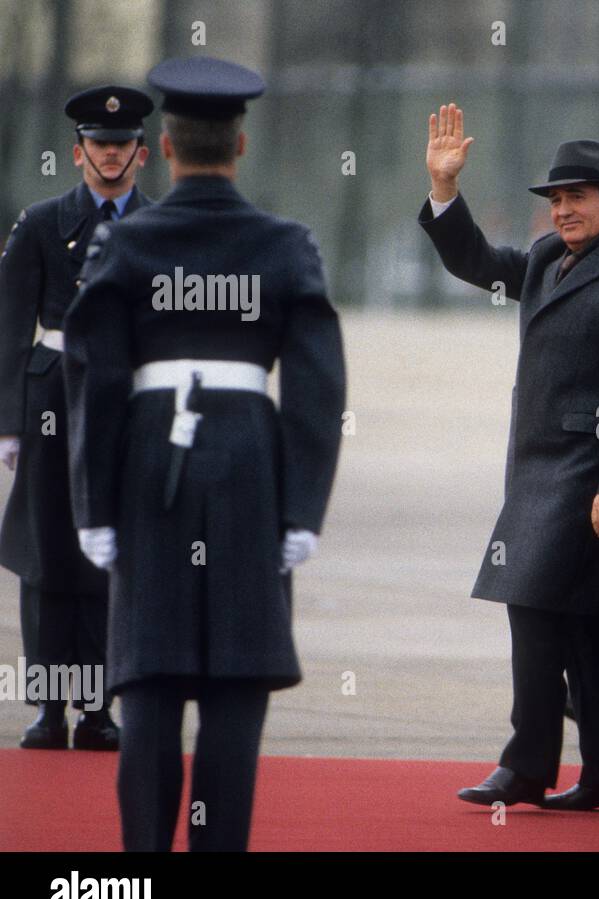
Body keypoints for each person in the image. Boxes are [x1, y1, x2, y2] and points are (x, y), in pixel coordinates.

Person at [62, 56, 346, 852]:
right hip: (250, 468)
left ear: (170, 149)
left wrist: (93, 505)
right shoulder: (287, 244)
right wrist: (301, 508)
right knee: (234, 687)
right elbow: (319, 388)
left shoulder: (127, 242)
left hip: (151, 467)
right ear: (241, 145)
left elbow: (96, 376)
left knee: (148, 685)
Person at [420, 106, 599, 813]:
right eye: (556, 198)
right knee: (591, 628)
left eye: (578, 197)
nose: (563, 209)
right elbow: (476, 262)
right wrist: (446, 190)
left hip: (590, 476)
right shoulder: (543, 258)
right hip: (535, 469)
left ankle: (526, 765)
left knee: (533, 609)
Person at [0, 85, 155, 751]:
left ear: (142, 155)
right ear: (78, 152)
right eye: (99, 144)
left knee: (107, 553)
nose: (111, 154)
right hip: (52, 395)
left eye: (122, 145)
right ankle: (47, 706)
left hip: (124, 394)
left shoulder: (158, 226)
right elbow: (9, 325)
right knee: (48, 554)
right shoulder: (40, 222)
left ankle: (97, 707)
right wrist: (8, 419)